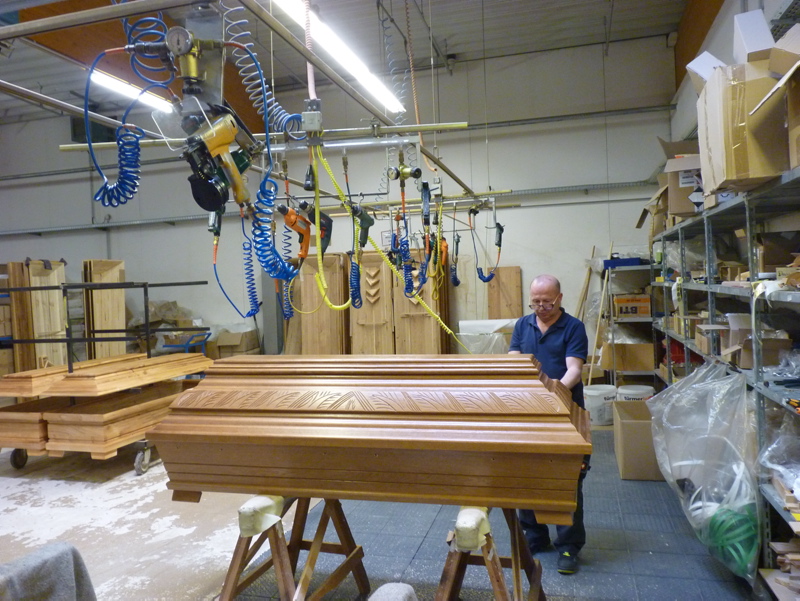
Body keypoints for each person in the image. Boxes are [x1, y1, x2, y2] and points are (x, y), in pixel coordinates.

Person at [508, 274, 589, 575]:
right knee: (526, 471)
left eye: (547, 302)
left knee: (566, 476)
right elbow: (515, 361)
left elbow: (574, 370)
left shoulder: (573, 327)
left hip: (565, 409)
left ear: (559, 298)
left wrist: (553, 396)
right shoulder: (522, 325)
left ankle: (568, 545)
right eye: (536, 302)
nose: (541, 308)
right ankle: (534, 535)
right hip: (529, 410)